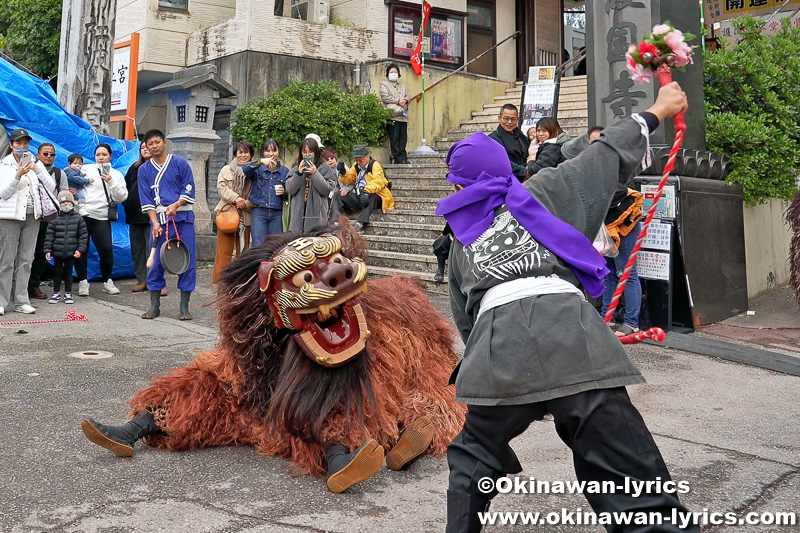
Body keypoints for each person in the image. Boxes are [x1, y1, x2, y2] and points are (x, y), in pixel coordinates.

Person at [437, 83, 698, 532]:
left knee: (472, 455)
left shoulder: (460, 242)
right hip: (577, 344)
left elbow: (466, 320)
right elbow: (606, 154)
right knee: (631, 477)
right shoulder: (544, 191)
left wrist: (499, 380)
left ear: (461, 185)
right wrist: (659, 108)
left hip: (497, 353)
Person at [80, 230, 465, 495]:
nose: (335, 273)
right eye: (309, 274)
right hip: (276, 356)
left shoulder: (365, 319)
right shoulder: (256, 336)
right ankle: (134, 429)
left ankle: (357, 455)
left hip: (356, 355)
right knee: (210, 385)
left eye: (333, 262)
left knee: (386, 398)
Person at [137, 129, 197, 320]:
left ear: (164, 142)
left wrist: (177, 204)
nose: (154, 146)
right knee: (155, 262)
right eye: (150, 144)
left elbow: (188, 187)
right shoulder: (143, 170)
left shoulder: (179, 163)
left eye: (157, 142)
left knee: (187, 260)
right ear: (146, 147)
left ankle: (184, 307)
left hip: (182, 217)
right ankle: (154, 306)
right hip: (160, 220)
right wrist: (154, 222)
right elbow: (146, 200)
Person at [0, 129, 58, 315]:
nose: (22, 147)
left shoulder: (35, 164)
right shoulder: (4, 165)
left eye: (25, 143)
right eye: (18, 143)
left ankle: (21, 300)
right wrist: (17, 175)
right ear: (11, 145)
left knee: (26, 259)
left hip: (33, 216)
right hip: (10, 217)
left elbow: (51, 186)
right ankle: (2, 301)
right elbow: (3, 194)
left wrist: (37, 169)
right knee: (6, 260)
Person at [73, 144, 128, 297]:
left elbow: (121, 197)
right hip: (83, 214)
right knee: (81, 249)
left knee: (106, 249)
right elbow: (71, 178)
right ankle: (83, 282)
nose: (101, 157)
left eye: (104, 154)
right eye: (98, 154)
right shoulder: (86, 169)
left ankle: (107, 281)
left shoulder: (116, 174)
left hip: (102, 216)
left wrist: (110, 181)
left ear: (110, 156)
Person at [28, 143, 69, 300]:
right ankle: (16, 286)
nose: (49, 157)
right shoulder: (30, 169)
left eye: (52, 154)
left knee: (41, 252)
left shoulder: (60, 174)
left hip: (49, 219)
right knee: (23, 253)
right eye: (45, 154)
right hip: (31, 216)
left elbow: (64, 194)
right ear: (38, 155)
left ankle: (33, 285)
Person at [213, 140, 255, 283]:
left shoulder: (255, 171)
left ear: (251, 154)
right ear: (236, 153)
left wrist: (246, 203)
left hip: (247, 214)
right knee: (224, 251)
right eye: (240, 152)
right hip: (228, 214)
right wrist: (237, 198)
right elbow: (222, 189)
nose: (243, 155)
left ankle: (241, 281)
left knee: (244, 250)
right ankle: (221, 282)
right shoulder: (226, 169)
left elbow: (257, 192)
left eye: (246, 152)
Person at [123, 143, 158, 293]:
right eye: (142, 147)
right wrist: (128, 202)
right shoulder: (134, 168)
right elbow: (123, 188)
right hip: (134, 215)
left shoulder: (159, 168)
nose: (144, 149)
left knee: (153, 248)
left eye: (147, 146)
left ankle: (156, 280)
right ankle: (141, 279)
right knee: (137, 249)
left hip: (153, 216)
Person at [44, 191, 88, 305]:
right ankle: (56, 292)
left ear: (73, 203)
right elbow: (49, 236)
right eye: (63, 202)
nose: (65, 204)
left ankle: (68, 292)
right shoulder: (54, 219)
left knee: (69, 272)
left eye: (68, 201)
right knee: (57, 272)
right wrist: (48, 250)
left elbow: (83, 236)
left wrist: (80, 249)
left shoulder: (78, 218)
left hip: (72, 252)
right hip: (57, 252)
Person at [242, 139, 288, 247]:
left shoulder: (285, 171)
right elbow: (245, 169)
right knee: (258, 245)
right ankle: (259, 265)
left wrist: (284, 192)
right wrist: (260, 162)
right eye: (267, 151)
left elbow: (290, 193)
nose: (271, 154)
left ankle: (274, 264)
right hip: (259, 211)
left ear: (278, 151)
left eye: (274, 150)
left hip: (277, 212)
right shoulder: (257, 169)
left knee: (276, 246)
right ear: (263, 152)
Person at [337, 145, 395, 231]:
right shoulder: (356, 166)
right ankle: (339, 219)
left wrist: (367, 190)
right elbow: (350, 179)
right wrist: (343, 173)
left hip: (376, 194)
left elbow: (379, 181)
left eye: (361, 160)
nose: (359, 162)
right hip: (360, 194)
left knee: (372, 196)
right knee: (337, 195)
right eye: (357, 160)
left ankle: (361, 222)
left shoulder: (375, 165)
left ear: (367, 157)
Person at [286, 137, 337, 231]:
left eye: (310, 152)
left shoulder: (324, 168)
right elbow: (290, 189)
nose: (307, 155)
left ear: (316, 153)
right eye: (304, 152)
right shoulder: (295, 169)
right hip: (297, 218)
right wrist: (298, 174)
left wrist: (315, 173)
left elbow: (327, 190)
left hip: (317, 217)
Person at [488, 104, 529, 181]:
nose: (509, 122)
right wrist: (524, 172)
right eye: (506, 118)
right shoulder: (493, 139)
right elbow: (500, 161)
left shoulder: (521, 136)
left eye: (513, 119)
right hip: (505, 179)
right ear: (499, 118)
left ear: (518, 120)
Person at [379, 64, 411, 164]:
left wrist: (405, 100)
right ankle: (397, 158)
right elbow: (385, 97)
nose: (394, 74)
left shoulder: (402, 85)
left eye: (396, 72)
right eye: (391, 72)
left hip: (403, 116)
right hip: (393, 115)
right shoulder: (384, 84)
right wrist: (398, 101)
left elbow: (408, 96)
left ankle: (403, 157)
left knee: (403, 138)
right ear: (388, 74)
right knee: (395, 138)